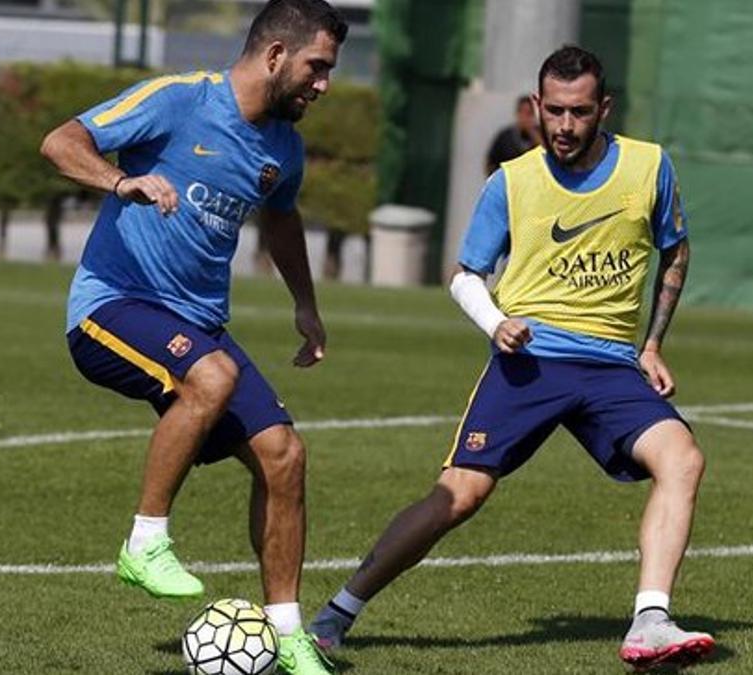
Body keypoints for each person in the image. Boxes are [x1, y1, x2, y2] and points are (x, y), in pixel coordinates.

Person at [310, 45, 714, 671]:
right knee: (460, 495)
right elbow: (465, 274)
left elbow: (676, 252)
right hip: (532, 361)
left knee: (683, 459)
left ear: (603, 108)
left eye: (579, 112)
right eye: (553, 110)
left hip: (610, 365)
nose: (564, 125)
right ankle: (338, 613)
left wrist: (653, 343)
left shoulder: (649, 167)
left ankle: (652, 620)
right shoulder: (513, 181)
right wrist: (496, 323)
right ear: (535, 106)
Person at [39, 2, 347, 673]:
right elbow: (61, 142)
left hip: (196, 325)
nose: (323, 84)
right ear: (274, 56)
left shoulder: (282, 148)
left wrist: (305, 304)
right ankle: (145, 542)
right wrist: (122, 181)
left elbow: (282, 219)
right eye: (316, 66)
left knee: (284, 454)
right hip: (113, 307)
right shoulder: (178, 100)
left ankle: (288, 631)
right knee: (213, 376)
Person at [485, 95, 543, 175]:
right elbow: (490, 163)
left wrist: (532, 132)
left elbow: (546, 154)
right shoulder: (505, 137)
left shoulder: (540, 135)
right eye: (522, 113)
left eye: (529, 113)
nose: (525, 117)